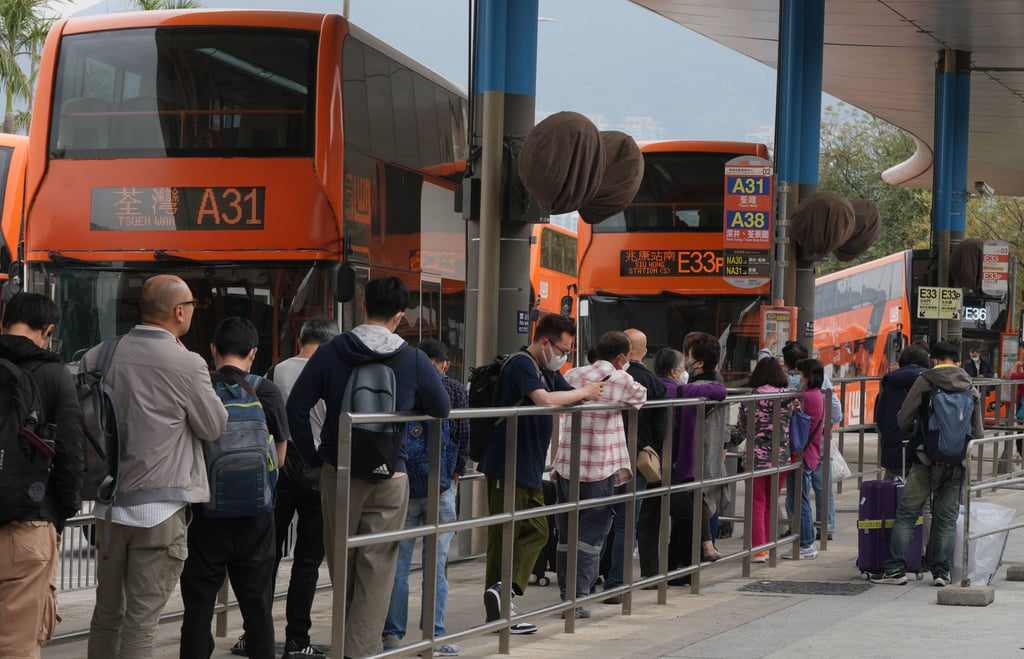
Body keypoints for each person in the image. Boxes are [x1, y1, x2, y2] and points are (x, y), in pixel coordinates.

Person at [286, 276, 450, 658]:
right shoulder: (412, 359)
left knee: (341, 564)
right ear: (399, 315)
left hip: (339, 472)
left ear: (362, 306)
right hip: (390, 474)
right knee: (377, 574)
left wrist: (314, 456)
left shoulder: (330, 352)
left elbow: (297, 406)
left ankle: (343, 645)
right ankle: (359, 652)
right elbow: (441, 408)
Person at [86, 275, 228, 659]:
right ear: (179, 311)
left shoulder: (100, 354)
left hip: (110, 507)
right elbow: (213, 426)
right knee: (141, 622)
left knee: (106, 615)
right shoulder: (187, 363)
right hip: (161, 510)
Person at [478, 313, 602, 633]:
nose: (563, 357)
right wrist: (584, 393)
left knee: (531, 530)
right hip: (508, 463)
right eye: (562, 349)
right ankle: (501, 601)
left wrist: (588, 390)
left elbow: (568, 394)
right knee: (514, 532)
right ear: (545, 342)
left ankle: (501, 596)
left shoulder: (545, 370)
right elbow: (545, 400)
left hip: (528, 465)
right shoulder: (522, 364)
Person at [180, 317, 289, 659]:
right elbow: (281, 458)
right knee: (257, 608)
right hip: (256, 517)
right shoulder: (266, 391)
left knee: (198, 607)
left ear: (213, 350)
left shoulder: (201, 388)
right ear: (253, 353)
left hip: (205, 514)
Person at [246, 317, 338, 659]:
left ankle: (255, 636)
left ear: (301, 339)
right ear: (329, 343)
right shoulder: (332, 371)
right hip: (318, 475)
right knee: (307, 563)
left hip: (279, 474)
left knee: (266, 558)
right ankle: (297, 641)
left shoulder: (274, 372)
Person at [0, 293, 85, 658]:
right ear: (48, 330)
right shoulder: (54, 375)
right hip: (29, 526)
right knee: (17, 647)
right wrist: (58, 517)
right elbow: (70, 458)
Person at [872, 340, 984, 587]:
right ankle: (941, 573)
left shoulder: (926, 381)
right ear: (957, 359)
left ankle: (895, 571)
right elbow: (978, 433)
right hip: (957, 462)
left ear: (933, 359)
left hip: (925, 458)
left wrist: (920, 431)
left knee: (908, 513)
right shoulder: (970, 386)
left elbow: (903, 419)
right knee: (946, 517)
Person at [553, 331, 645, 619]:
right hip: (598, 468)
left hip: (566, 464)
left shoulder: (573, 374)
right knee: (590, 537)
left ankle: (566, 594)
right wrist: (625, 371)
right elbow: (641, 396)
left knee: (566, 533)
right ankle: (579, 598)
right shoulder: (619, 378)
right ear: (621, 357)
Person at [383, 338, 466, 656]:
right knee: (437, 565)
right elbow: (464, 434)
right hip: (440, 487)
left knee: (398, 565)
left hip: (403, 483)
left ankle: (392, 635)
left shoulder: (398, 382)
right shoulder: (454, 389)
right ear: (443, 363)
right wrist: (454, 475)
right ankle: (435, 635)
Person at [646, 347, 726, 582]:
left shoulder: (649, 386)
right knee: (693, 504)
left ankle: (651, 573)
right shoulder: (682, 390)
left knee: (647, 520)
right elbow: (720, 391)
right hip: (678, 465)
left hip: (647, 464)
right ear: (673, 371)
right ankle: (705, 547)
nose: (686, 369)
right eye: (683, 366)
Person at [600, 328, 667, 604]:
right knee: (626, 524)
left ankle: (591, 577)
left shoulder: (597, 376)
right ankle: (616, 583)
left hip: (602, 458)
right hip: (636, 461)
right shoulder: (652, 383)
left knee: (596, 518)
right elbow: (662, 428)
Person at [736, 355, 796, 563]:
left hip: (755, 457)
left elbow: (742, 427)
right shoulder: (789, 397)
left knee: (756, 503)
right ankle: (770, 547)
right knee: (771, 503)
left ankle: (758, 550)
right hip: (780, 457)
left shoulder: (750, 397)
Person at [781, 340, 842, 540]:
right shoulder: (822, 384)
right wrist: (826, 423)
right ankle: (826, 527)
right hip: (819, 440)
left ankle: (798, 529)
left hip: (803, 443)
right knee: (822, 486)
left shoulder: (796, 387)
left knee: (799, 493)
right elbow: (836, 411)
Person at [682, 332, 730, 560]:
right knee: (709, 494)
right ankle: (708, 547)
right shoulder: (718, 381)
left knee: (698, 496)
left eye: (689, 356)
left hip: (698, 449)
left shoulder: (698, 388)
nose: (686, 361)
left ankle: (702, 549)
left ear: (699, 363)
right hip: (714, 449)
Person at [782, 358, 824, 560]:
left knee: (798, 501)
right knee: (797, 500)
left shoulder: (807, 397)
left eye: (797, 373)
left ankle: (806, 543)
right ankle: (804, 543)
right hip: (809, 453)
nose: (794, 377)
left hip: (802, 455)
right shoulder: (815, 395)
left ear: (807, 376)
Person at [875, 345, 932, 480]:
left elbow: (880, 418)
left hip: (894, 450)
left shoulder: (891, 381)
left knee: (891, 494)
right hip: (923, 450)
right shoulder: (931, 381)